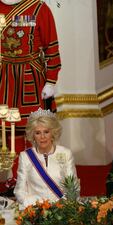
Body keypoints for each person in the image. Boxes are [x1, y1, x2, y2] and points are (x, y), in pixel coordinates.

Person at [0, 0, 61, 131]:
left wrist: (50, 81)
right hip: (3, 78)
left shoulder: (39, 8)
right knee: (4, 129)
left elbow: (51, 47)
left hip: (31, 79)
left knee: (34, 130)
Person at [14, 108, 78, 208]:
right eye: (38, 133)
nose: (42, 137)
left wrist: (61, 208)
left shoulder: (66, 153)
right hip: (35, 210)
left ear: (53, 133)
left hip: (62, 210)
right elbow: (19, 191)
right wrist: (36, 207)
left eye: (46, 132)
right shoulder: (26, 156)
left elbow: (72, 188)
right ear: (33, 135)